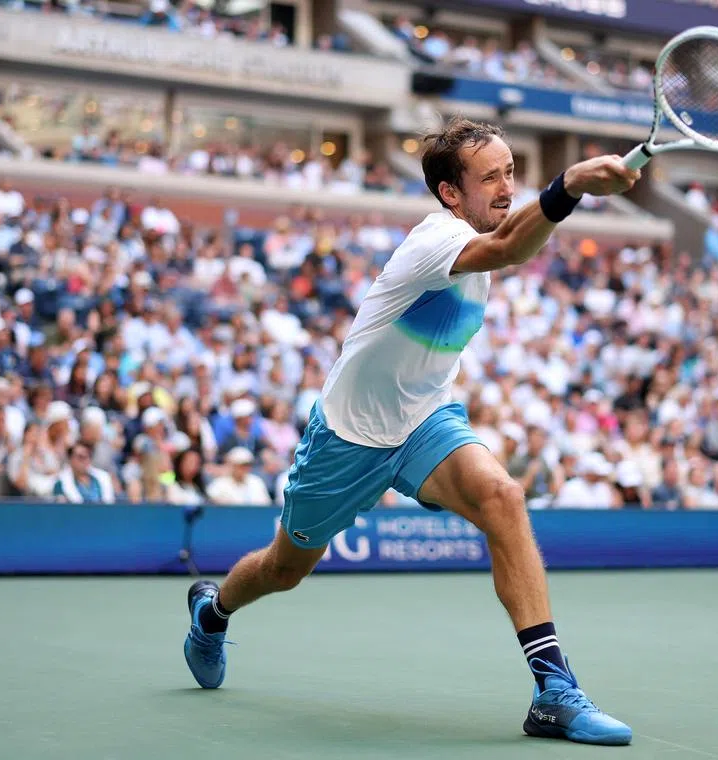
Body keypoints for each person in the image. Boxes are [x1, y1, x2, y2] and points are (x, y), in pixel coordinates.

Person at [182, 117, 640, 746]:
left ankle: (553, 692)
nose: (507, 186)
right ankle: (212, 613)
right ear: (451, 192)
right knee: (284, 569)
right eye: (491, 177)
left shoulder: (484, 231)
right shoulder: (436, 242)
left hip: (426, 419)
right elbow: (511, 246)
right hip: (349, 436)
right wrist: (574, 182)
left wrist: (562, 191)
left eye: (511, 172)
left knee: (503, 498)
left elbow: (512, 237)